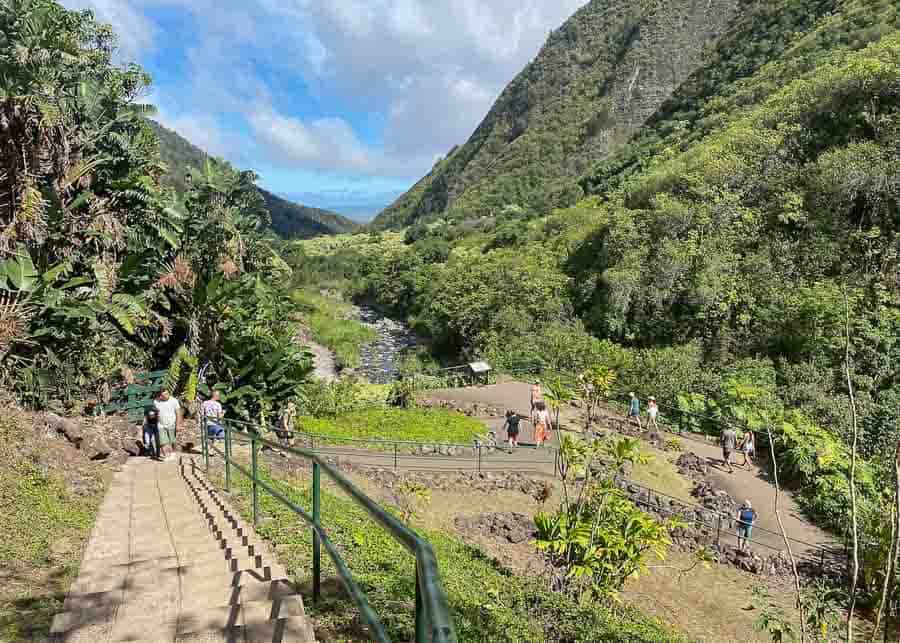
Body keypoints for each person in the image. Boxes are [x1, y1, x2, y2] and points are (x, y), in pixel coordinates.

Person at [154, 387, 182, 462]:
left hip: (171, 424)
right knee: (163, 441)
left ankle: (172, 453)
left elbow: (178, 413)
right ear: (160, 396)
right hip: (160, 425)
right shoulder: (156, 402)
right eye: (165, 394)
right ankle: (166, 455)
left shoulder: (174, 401)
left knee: (172, 440)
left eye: (167, 393)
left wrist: (178, 425)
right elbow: (155, 413)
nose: (167, 395)